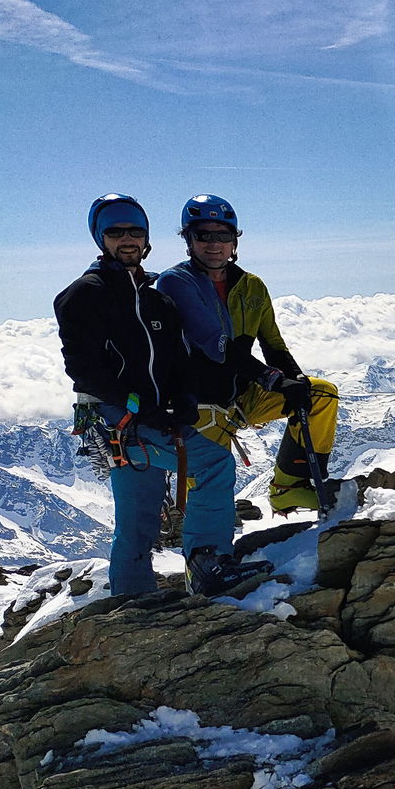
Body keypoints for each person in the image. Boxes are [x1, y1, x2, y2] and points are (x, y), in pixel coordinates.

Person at [54, 194, 271, 597]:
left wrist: (182, 398)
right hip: (119, 419)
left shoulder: (156, 299)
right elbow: (84, 370)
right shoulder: (85, 294)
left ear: (147, 237)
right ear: (101, 238)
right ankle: (208, 564)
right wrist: (140, 409)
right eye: (116, 232)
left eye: (135, 231)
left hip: (137, 422)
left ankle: (131, 599)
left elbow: (176, 360)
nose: (128, 239)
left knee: (138, 517)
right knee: (212, 462)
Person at [155, 195, 339, 514]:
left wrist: (295, 382)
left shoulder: (252, 287)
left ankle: (289, 489)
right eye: (203, 235)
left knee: (320, 395)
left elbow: (273, 345)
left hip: (242, 396)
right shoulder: (176, 282)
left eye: (223, 235)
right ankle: (196, 532)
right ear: (188, 240)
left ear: (234, 241)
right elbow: (213, 343)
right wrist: (272, 380)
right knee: (209, 499)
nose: (214, 244)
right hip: (197, 405)